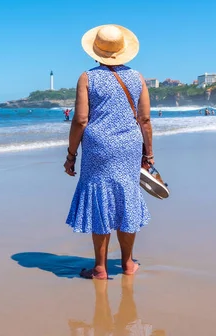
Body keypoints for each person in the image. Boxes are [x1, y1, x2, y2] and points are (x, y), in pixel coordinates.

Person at [64, 24, 152, 280]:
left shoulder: (87, 78)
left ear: (95, 52)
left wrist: (71, 155)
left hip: (98, 146)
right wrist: (149, 155)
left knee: (100, 200)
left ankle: (100, 268)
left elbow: (80, 119)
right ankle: (127, 264)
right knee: (126, 196)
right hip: (129, 146)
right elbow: (145, 119)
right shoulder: (137, 78)